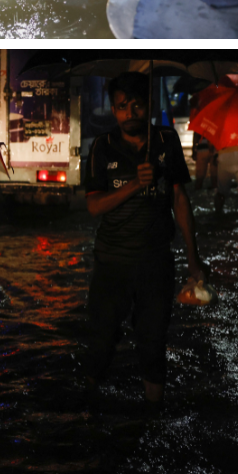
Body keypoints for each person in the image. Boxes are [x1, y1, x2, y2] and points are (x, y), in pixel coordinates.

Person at [83, 72, 205, 407]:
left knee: (153, 343)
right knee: (101, 342)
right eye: (123, 106)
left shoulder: (165, 141)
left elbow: (180, 200)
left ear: (148, 106)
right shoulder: (102, 148)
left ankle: (153, 419)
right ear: (114, 109)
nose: (130, 112)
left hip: (156, 262)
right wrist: (136, 184)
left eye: (137, 105)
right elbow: (93, 206)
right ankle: (86, 410)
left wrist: (194, 259)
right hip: (112, 263)